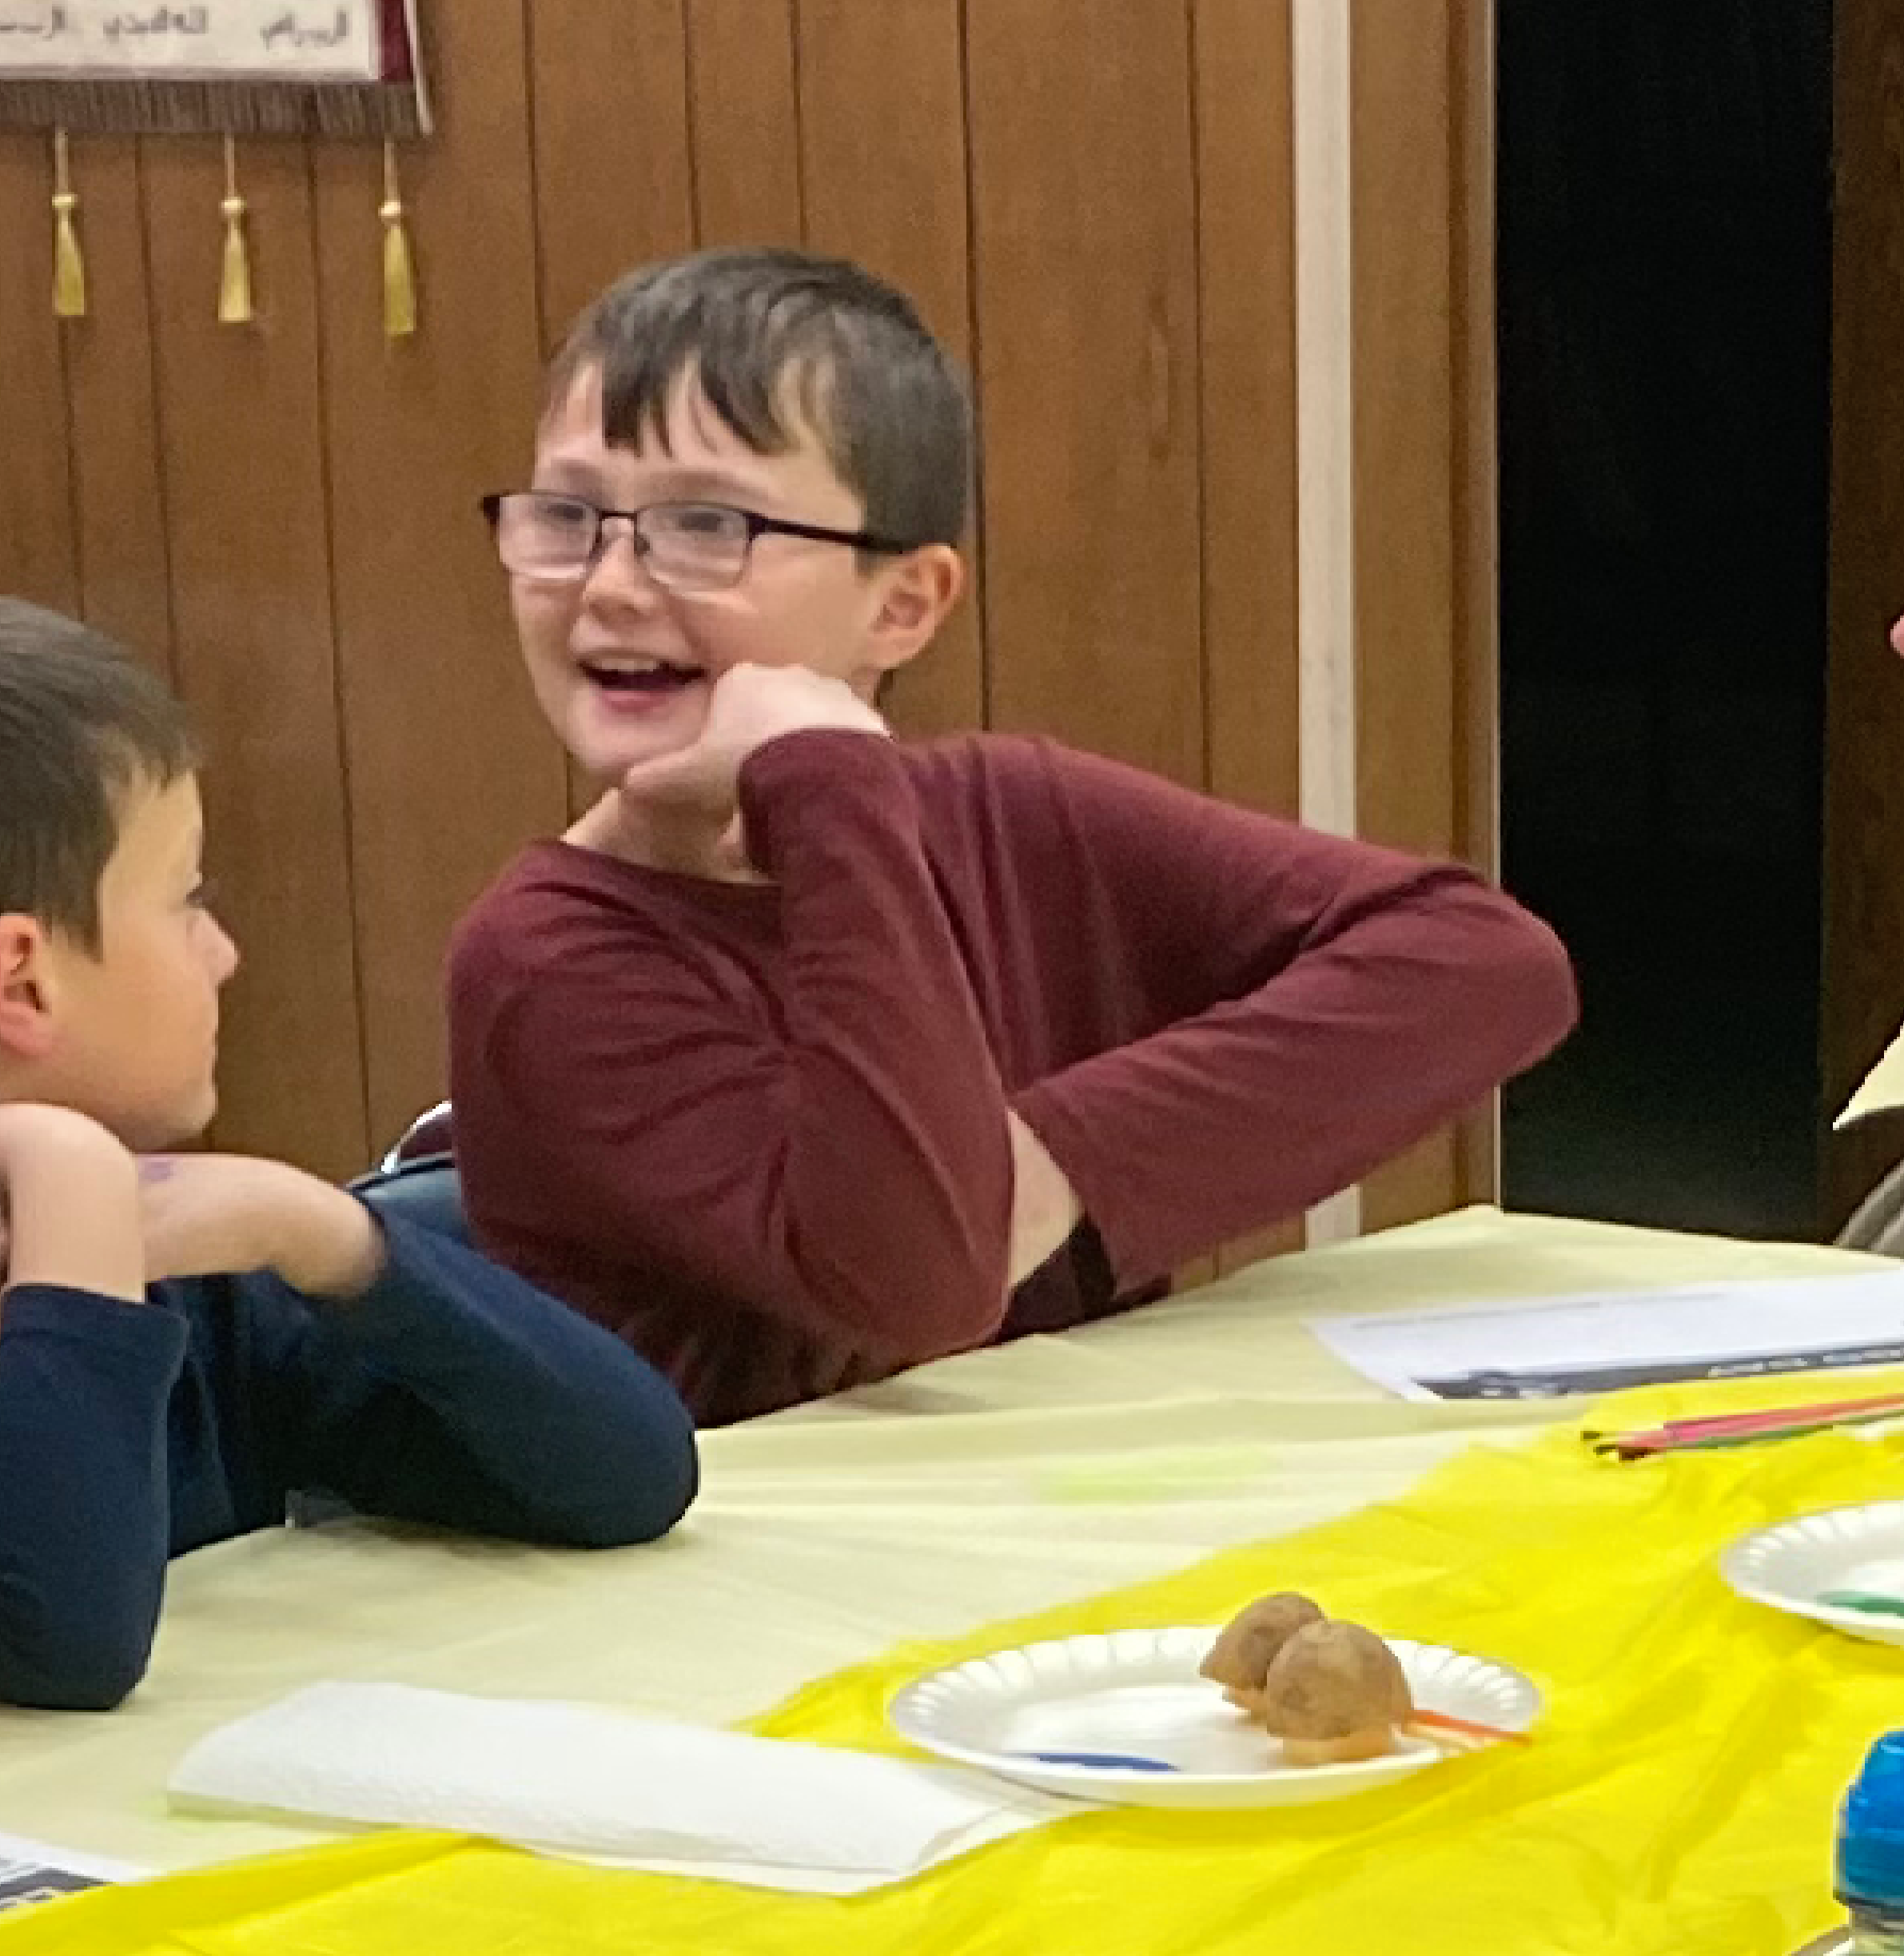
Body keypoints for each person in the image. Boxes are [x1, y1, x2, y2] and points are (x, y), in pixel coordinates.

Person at [444, 245, 1580, 1426]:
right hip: (738, 1567)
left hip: (1067, 1497)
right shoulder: (547, 957)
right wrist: (828, 780)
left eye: (704, 524)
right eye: (569, 515)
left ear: (904, 605)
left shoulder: (1003, 810)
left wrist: (1050, 1161)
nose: (611, 583)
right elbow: (915, 1282)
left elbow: (1487, 966)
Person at [0, 596, 698, 1712]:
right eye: (186, 901)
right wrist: (74, 1208)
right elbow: (52, 1641)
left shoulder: (197, 1265)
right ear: (23, 983)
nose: (224, 952)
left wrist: (326, 1235)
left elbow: (631, 1474)